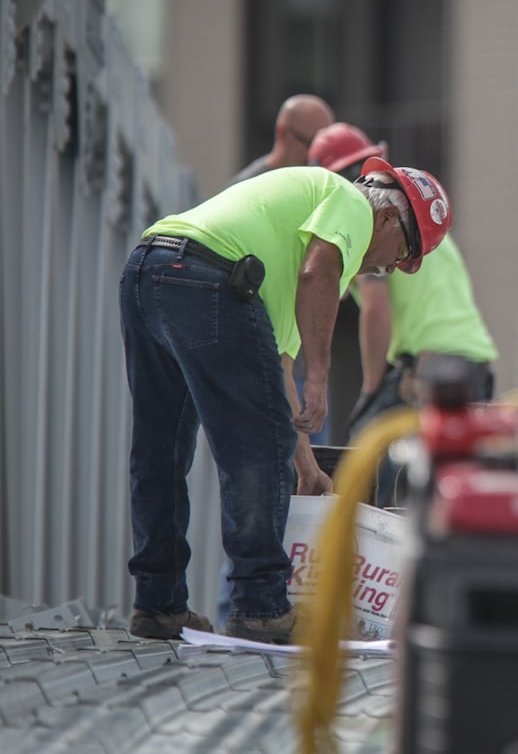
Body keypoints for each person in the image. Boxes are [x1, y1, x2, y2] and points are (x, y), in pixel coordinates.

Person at [120, 156, 452, 643]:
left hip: (149, 269)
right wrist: (321, 376)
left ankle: (158, 605)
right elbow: (318, 276)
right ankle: (260, 607)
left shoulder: (290, 240)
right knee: (254, 451)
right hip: (209, 278)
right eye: (400, 251)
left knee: (161, 452)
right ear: (386, 215)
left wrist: (304, 462)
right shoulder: (350, 204)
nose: (388, 268)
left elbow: (275, 370)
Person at [308, 123, 497, 503]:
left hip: (428, 366)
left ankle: (368, 560)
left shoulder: (370, 224)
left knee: (369, 463)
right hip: (473, 364)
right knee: (435, 485)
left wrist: (371, 388)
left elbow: (376, 310)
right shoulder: (421, 225)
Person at [229, 94, 335, 185]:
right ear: (282, 133)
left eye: (325, 145)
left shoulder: (321, 183)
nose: (318, 153)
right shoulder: (246, 187)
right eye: (311, 143)